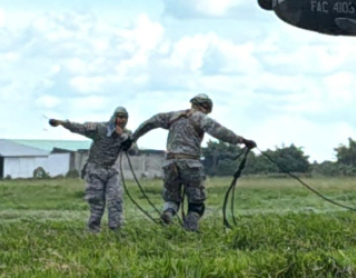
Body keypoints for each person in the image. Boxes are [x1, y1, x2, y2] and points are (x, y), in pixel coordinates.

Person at [131, 94, 255, 232]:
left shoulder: (172, 116)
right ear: (206, 106)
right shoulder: (201, 118)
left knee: (172, 199)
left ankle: (168, 213)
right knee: (196, 202)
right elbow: (221, 132)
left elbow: (150, 122)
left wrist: (132, 138)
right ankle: (191, 229)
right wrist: (242, 141)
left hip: (170, 162)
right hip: (190, 163)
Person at [49, 107, 134, 232]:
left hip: (112, 171)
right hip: (96, 169)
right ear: (114, 117)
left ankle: (116, 230)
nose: (122, 120)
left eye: (124, 118)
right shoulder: (100, 129)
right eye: (119, 117)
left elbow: (133, 150)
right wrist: (62, 123)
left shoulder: (127, 134)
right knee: (96, 201)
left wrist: (122, 137)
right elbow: (79, 128)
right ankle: (93, 230)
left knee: (115, 200)